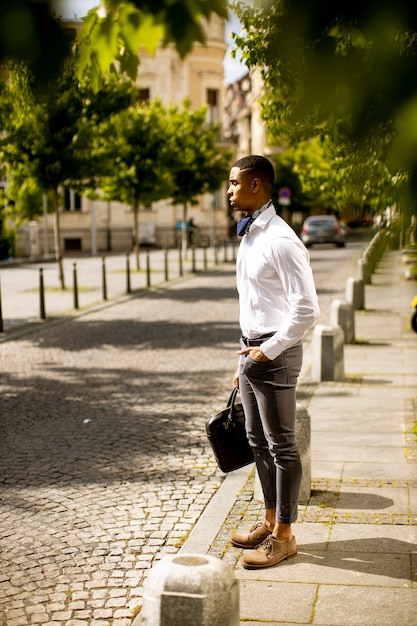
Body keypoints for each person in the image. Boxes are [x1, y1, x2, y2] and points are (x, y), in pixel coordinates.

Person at [227, 155, 319, 570]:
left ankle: (285, 535)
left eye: (234, 183)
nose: (229, 191)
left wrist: (271, 348)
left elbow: (307, 308)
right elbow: (254, 302)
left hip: (274, 354)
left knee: (282, 445)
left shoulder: (280, 239)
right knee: (257, 441)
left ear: (257, 185)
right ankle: (269, 520)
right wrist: (244, 356)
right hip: (253, 351)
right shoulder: (251, 234)